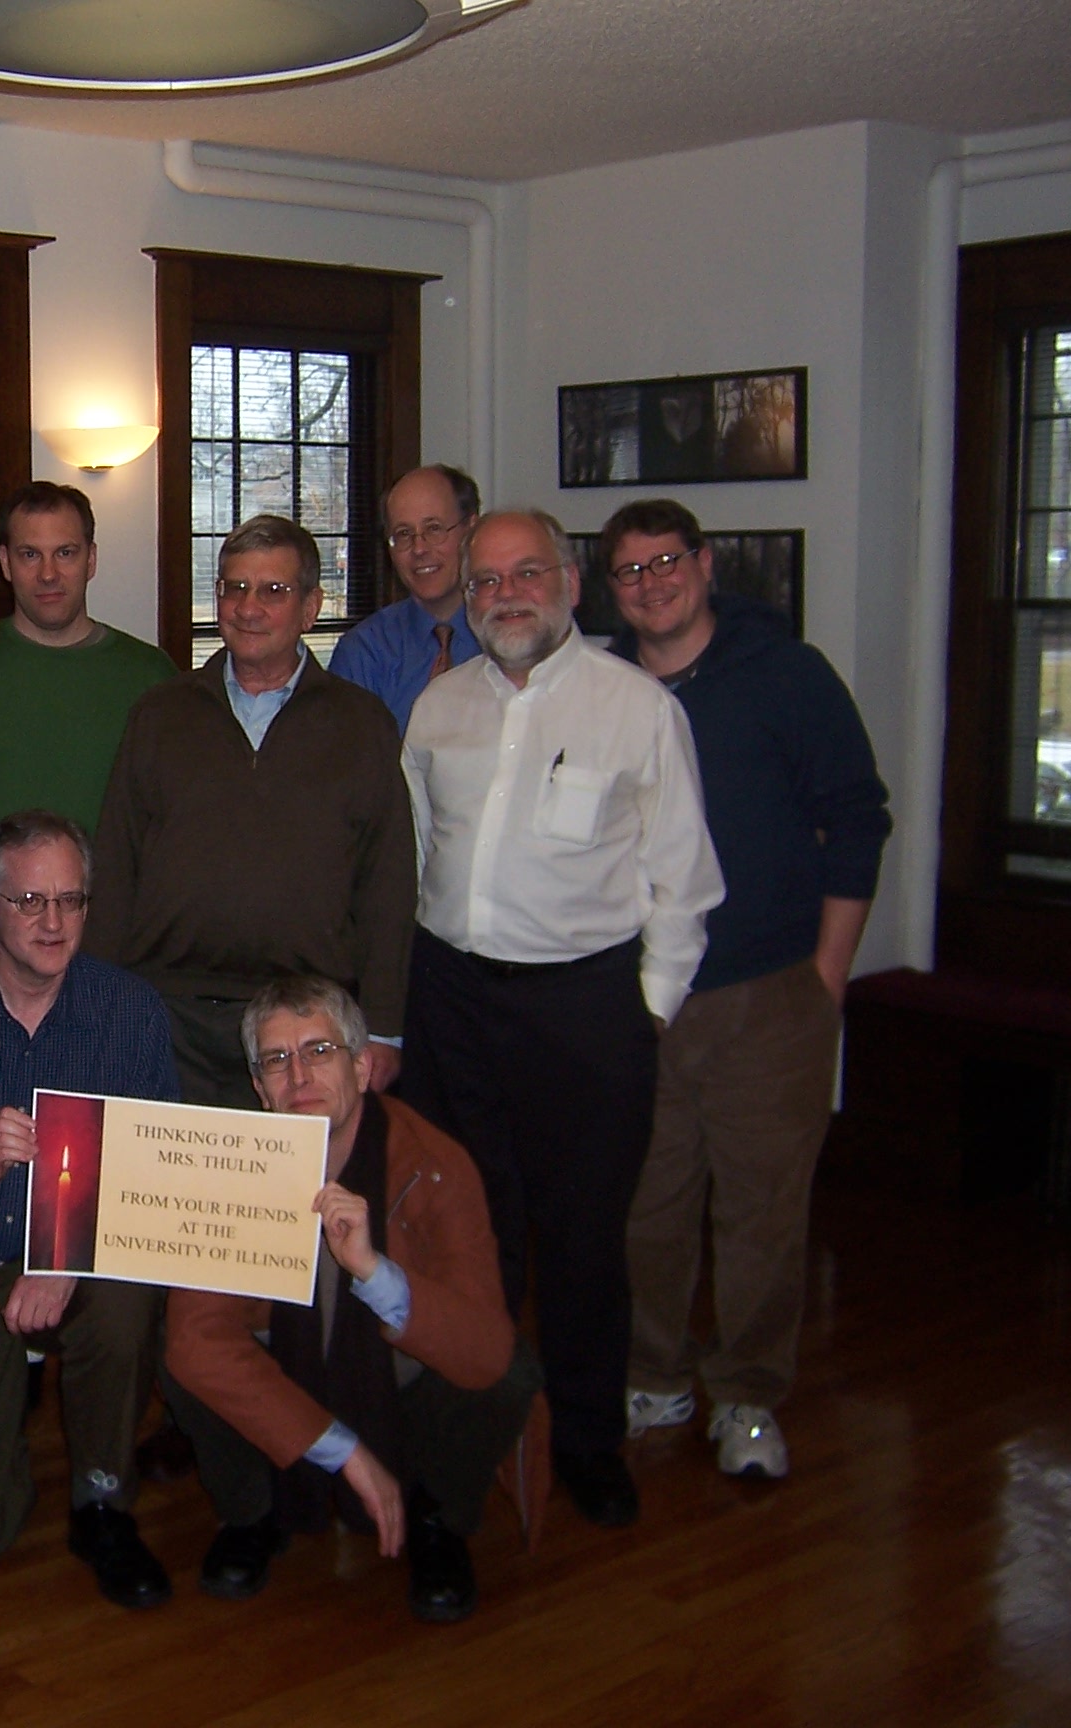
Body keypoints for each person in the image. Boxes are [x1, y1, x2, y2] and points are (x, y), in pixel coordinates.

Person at [398, 509, 723, 1530]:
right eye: (486, 579)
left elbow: (687, 882)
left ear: (570, 583)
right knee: (467, 1229)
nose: (505, 594)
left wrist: (646, 1014)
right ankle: (478, 1425)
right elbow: (411, 853)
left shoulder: (636, 711)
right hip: (451, 997)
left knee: (584, 1241)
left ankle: (587, 1440)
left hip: (584, 1008)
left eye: (526, 573)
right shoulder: (439, 706)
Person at [601, 499, 891, 1479]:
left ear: (706, 564)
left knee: (764, 1213)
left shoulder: (786, 676)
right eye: (630, 571)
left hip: (770, 992)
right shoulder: (600, 689)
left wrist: (827, 978)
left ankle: (750, 1398)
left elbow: (857, 820)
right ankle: (656, 1376)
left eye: (666, 562)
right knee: (647, 1201)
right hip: (641, 996)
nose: (651, 583)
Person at [164, 975, 537, 1624]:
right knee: (183, 1358)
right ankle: (251, 1514)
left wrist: (374, 1271)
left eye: (318, 1051)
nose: (297, 1075)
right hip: (283, 1374)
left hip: (403, 1383)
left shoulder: (435, 1162)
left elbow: (486, 1352)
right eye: (275, 1060)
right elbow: (198, 1342)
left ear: (363, 1067)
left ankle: (438, 1519)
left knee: (513, 1377)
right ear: (258, 1088)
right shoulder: (230, 1166)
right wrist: (345, 1449)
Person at [0, 810, 180, 1607]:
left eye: (71, 900)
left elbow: (154, 1178)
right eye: (29, 901)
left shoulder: (130, 1011)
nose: (52, 922)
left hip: (79, 1264)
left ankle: (102, 1499)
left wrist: (70, 1255)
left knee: (124, 1306)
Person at [89, 512, 416, 1111]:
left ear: (311, 607)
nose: (249, 607)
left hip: (303, 1023)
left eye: (273, 591)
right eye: (235, 588)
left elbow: (388, 885)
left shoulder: (361, 723)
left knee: (280, 1199)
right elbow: (116, 864)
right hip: (168, 1012)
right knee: (165, 1195)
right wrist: (96, 1001)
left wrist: (385, 1026)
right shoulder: (161, 714)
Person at [0, 481, 175, 831]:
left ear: (91, 560)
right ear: (6, 563)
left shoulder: (151, 675)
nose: (48, 574)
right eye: (30, 555)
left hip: (114, 886)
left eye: (65, 553)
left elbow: (179, 809)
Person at [328, 464, 483, 733]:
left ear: (471, 531)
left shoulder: (508, 637)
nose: (419, 548)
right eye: (403, 534)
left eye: (434, 529)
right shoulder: (363, 653)